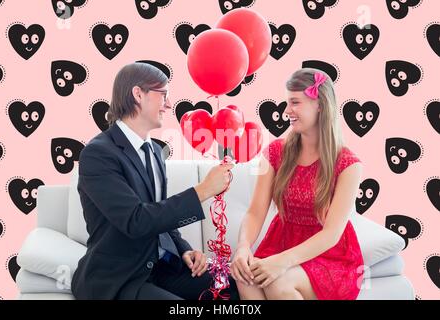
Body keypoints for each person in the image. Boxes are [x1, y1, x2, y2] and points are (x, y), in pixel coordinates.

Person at [71, 62, 238, 300]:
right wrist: (202, 190)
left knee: (233, 284)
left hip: (162, 268)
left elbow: (159, 215)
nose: (169, 104)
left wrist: (185, 250)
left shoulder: (154, 152)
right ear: (138, 94)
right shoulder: (98, 154)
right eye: (164, 95)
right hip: (121, 278)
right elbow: (136, 220)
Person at [230, 68, 364, 300]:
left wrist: (282, 262)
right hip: (281, 244)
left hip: (328, 256)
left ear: (320, 104)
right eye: (287, 102)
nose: (287, 111)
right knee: (246, 279)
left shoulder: (349, 164)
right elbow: (255, 212)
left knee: (278, 283)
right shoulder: (273, 153)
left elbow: (332, 234)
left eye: (295, 102)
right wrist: (242, 248)